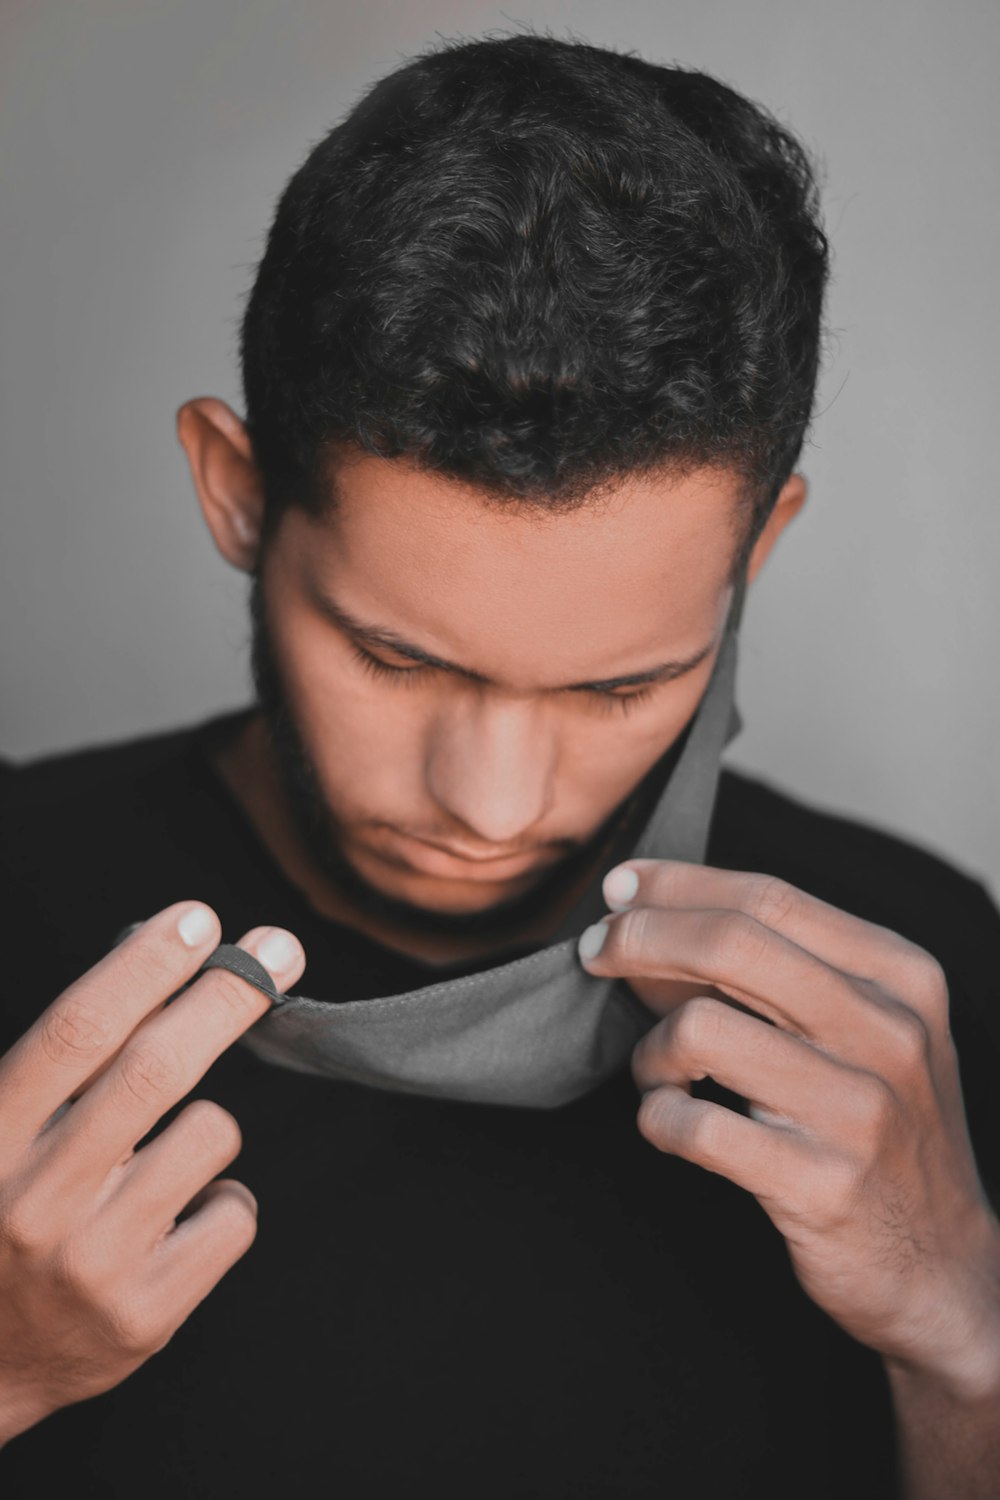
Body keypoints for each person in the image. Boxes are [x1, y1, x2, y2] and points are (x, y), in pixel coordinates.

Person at [0, 32, 997, 1499]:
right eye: (399, 660)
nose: (497, 804)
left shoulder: (923, 993)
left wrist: (962, 1333)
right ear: (238, 495)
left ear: (756, 552)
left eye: (621, 685)